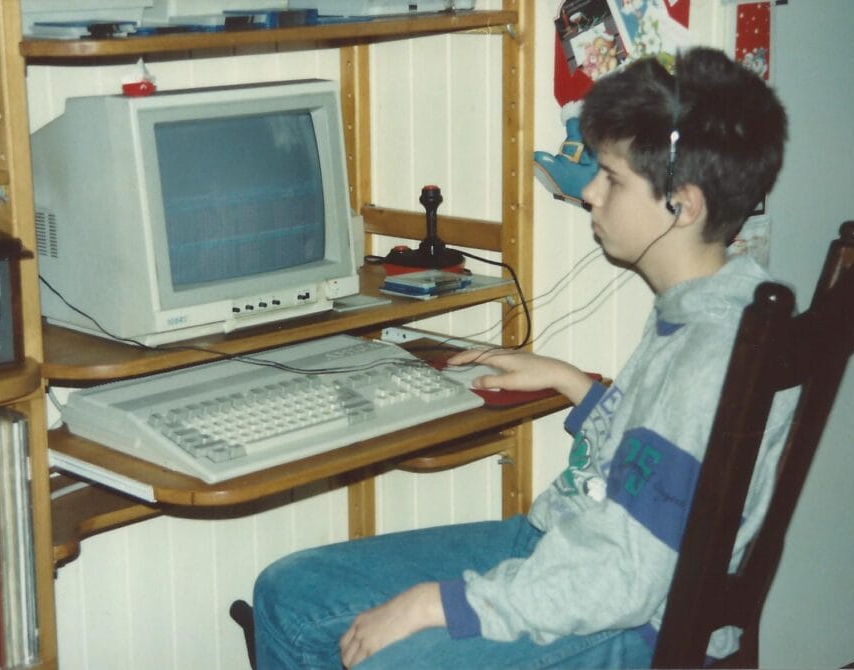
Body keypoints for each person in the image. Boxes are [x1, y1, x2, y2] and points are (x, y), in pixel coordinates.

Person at [251, 46, 795, 669]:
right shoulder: (715, 300)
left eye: (612, 178)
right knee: (290, 596)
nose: (590, 192)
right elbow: (659, 462)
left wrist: (439, 603)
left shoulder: (708, 353)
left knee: (389, 658)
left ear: (683, 205)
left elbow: (623, 578)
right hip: (578, 550)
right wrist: (573, 385)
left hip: (629, 619)